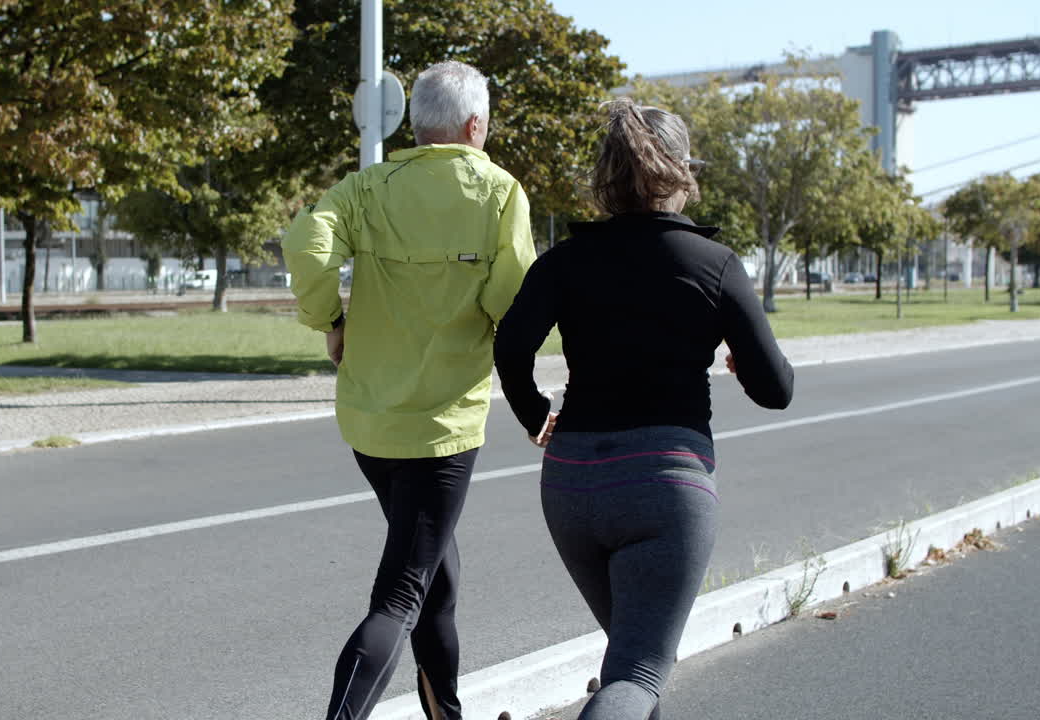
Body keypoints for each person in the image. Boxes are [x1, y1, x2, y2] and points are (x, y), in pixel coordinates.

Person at [492, 99, 794, 720]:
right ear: (683, 171)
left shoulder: (566, 261)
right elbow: (775, 388)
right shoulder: (714, 265)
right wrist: (742, 362)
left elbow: (510, 344)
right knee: (639, 671)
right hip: (664, 482)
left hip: (572, 482)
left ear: (606, 175)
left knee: (628, 662)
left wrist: (534, 412)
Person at [282, 60, 536, 720]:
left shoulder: (369, 187)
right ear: (475, 124)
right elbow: (514, 303)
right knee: (401, 593)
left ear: (416, 123)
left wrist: (329, 319)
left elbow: (306, 241)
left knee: (436, 577)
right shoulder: (500, 193)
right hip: (442, 429)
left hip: (369, 424)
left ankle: (446, 715)